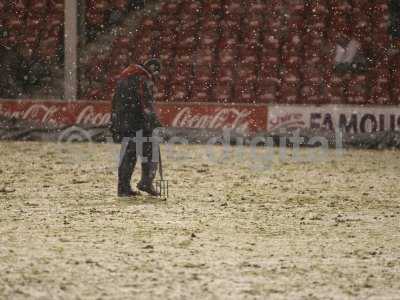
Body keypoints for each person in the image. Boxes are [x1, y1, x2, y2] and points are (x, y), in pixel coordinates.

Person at [110, 58, 162, 197]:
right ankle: (146, 181)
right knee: (151, 149)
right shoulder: (142, 79)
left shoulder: (124, 77)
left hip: (124, 122)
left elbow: (114, 102)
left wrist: (114, 123)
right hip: (138, 122)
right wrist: (153, 121)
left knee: (128, 155)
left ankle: (123, 187)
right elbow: (145, 103)